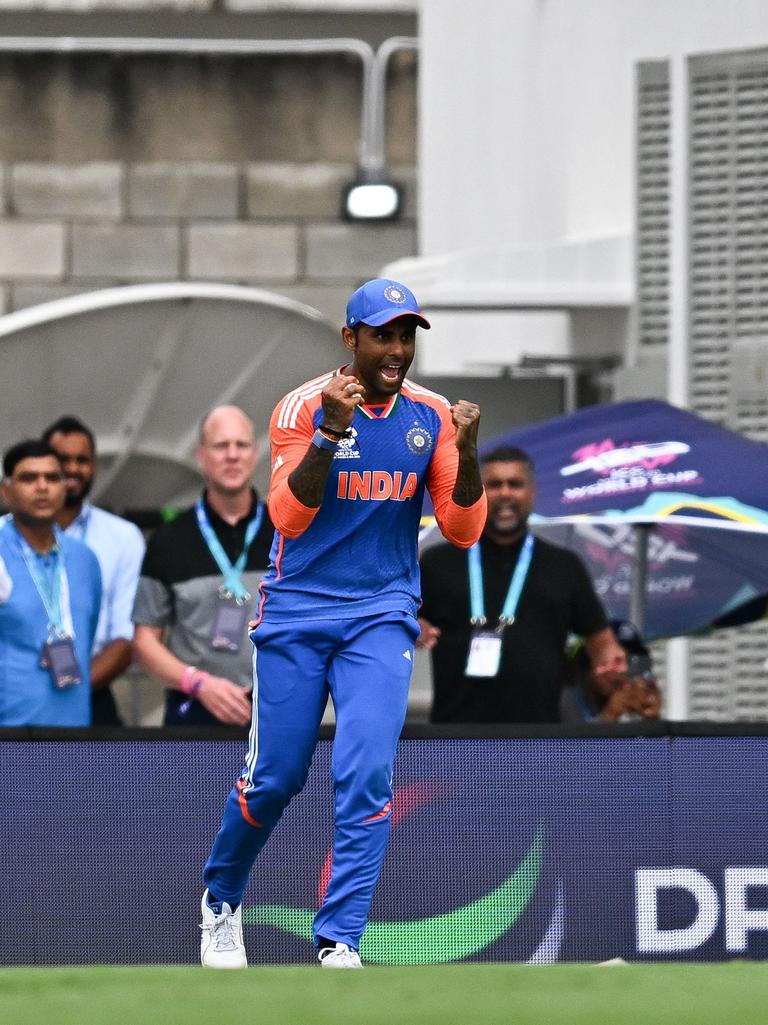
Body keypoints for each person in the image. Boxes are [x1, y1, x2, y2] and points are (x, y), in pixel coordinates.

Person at [199, 277, 486, 970]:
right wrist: (331, 433)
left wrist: (469, 449)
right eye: (382, 335)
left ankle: (340, 938)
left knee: (366, 773)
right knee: (275, 776)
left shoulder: (434, 416)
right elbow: (289, 517)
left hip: (382, 613)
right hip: (297, 609)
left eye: (406, 336)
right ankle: (220, 900)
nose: (396, 350)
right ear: (350, 338)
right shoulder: (303, 407)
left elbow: (464, 527)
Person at [418, 445, 626, 723]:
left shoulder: (564, 565)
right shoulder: (436, 562)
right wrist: (411, 627)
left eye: (515, 485)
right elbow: (399, 623)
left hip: (540, 737)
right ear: (478, 491)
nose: (505, 493)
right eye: (494, 485)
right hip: (454, 736)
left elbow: (602, 644)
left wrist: (610, 666)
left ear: (532, 492)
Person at [132, 405, 274, 726]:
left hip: (278, 707)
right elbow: (143, 642)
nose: (232, 455)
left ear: (255, 453)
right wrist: (199, 684)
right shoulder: (168, 540)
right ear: (201, 455)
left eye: (241, 445)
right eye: (221, 446)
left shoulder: (287, 532)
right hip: (194, 709)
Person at [42, 416, 146, 726]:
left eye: (82, 460)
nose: (72, 468)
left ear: (94, 467)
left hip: (92, 695)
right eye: (62, 459)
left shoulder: (123, 537)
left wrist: (70, 691)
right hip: (17, 700)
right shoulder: (8, 537)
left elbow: (125, 638)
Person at [0, 439, 101, 726]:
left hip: (75, 734)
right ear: (6, 490)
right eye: (29, 478)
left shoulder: (85, 559)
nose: (42, 486)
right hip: (9, 737)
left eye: (52, 477)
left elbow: (87, 636)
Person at [560, 619, 662, 723]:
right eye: (615, 661)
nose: (623, 672)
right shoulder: (563, 698)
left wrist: (651, 718)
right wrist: (610, 715)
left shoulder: (620, 703)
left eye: (630, 662)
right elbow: (574, 738)